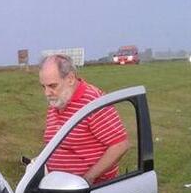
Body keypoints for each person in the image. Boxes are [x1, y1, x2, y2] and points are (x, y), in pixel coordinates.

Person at [39, 54, 129, 185]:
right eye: (44, 87)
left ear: (70, 78)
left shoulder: (93, 103)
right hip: (59, 185)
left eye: (52, 86)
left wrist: (88, 179)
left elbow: (120, 145)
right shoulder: (58, 102)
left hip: (88, 191)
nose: (47, 93)